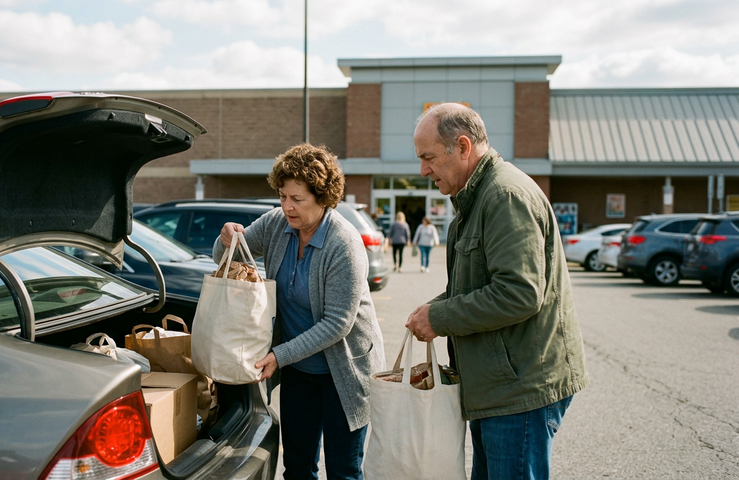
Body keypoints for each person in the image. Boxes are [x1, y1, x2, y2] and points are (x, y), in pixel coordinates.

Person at [405, 103, 589, 480]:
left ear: (462, 146)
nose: (423, 170)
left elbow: (518, 293)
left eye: (428, 158)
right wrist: (432, 309)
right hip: (499, 387)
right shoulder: (477, 197)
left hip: (518, 390)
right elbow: (477, 286)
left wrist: (439, 317)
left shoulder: (504, 195)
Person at [214, 143, 385, 480]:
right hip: (299, 369)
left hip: (344, 372)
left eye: (297, 199)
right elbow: (228, 256)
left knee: (343, 470)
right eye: (282, 196)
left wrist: (279, 356)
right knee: (297, 467)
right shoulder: (277, 224)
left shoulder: (344, 244)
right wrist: (225, 240)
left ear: (323, 198)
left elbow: (337, 323)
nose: (287, 207)